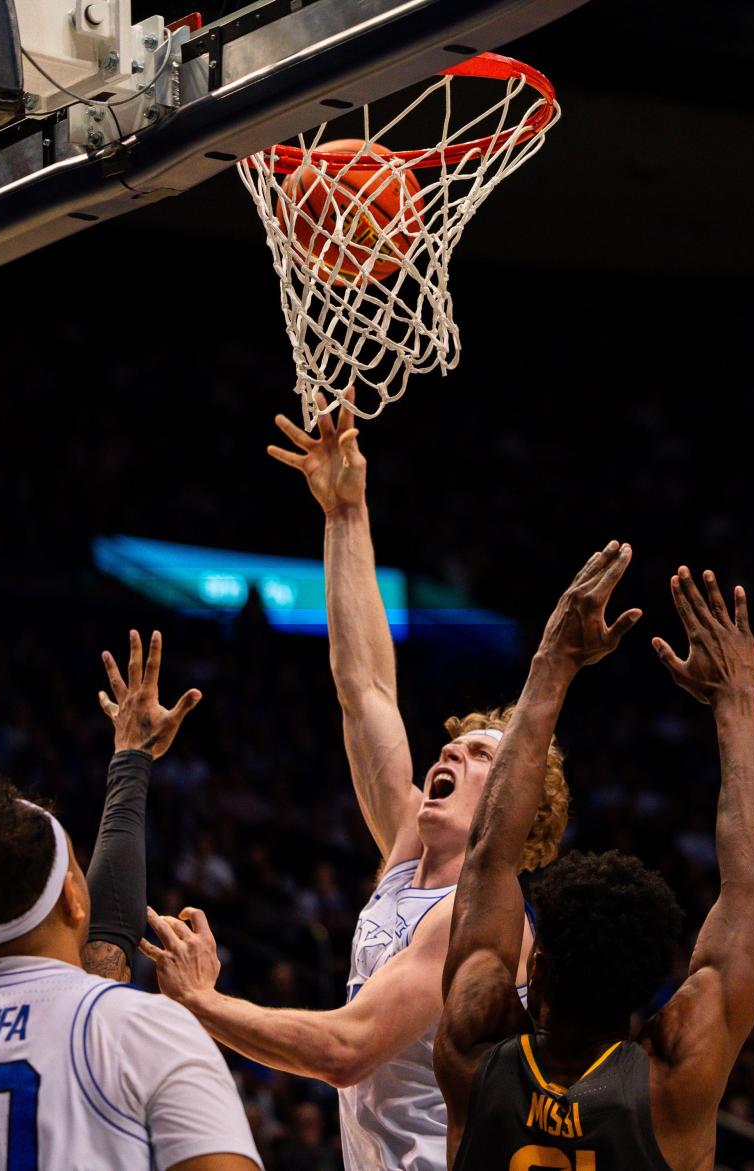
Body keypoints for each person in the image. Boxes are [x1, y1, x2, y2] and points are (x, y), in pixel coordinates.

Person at [138, 397, 568, 1171]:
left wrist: (205, 1002)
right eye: (455, 743)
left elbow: (349, 1048)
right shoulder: (408, 853)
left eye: (479, 755)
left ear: (517, 810)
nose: (452, 753)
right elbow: (365, 684)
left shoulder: (480, 921)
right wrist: (346, 513)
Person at [434, 543, 754, 1170]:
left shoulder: (475, 1047)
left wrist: (553, 662)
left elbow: (489, 854)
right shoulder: (674, 1081)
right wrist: (736, 700)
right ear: (651, 993)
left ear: (534, 968)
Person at [0, 633, 260, 1171]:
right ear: (72, 895)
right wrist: (202, 1001)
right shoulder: (137, 1027)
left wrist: (131, 760)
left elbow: (108, 938)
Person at [0, 629, 192, 1024]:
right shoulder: (85, 1026)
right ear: (71, 900)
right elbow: (110, 933)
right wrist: (201, 999)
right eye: (72, 872)